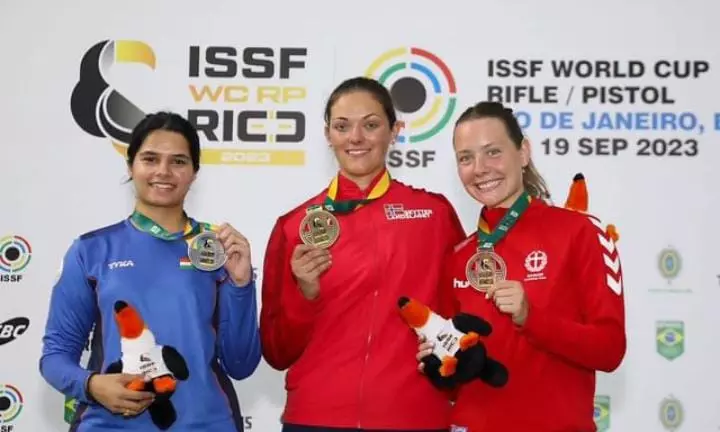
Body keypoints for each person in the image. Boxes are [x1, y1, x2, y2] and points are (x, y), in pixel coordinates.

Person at [259, 76, 467, 432]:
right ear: (328, 135)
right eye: (342, 126)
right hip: (316, 418)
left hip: (412, 417)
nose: (355, 137)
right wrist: (304, 295)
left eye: (370, 125)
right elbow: (277, 352)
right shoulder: (294, 227)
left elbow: (462, 322)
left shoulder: (434, 215)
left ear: (394, 131)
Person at [39, 111, 261, 431]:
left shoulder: (216, 251)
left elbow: (241, 364)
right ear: (131, 166)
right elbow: (55, 357)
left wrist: (241, 284)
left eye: (179, 161)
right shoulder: (91, 251)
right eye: (150, 158)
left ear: (195, 173)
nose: (163, 171)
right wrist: (92, 385)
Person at [417, 101, 627, 432]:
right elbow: (455, 381)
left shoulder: (581, 232)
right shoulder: (458, 256)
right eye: (466, 158)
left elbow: (610, 350)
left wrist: (531, 317)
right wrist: (441, 364)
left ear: (524, 152)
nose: (480, 168)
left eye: (493, 152)